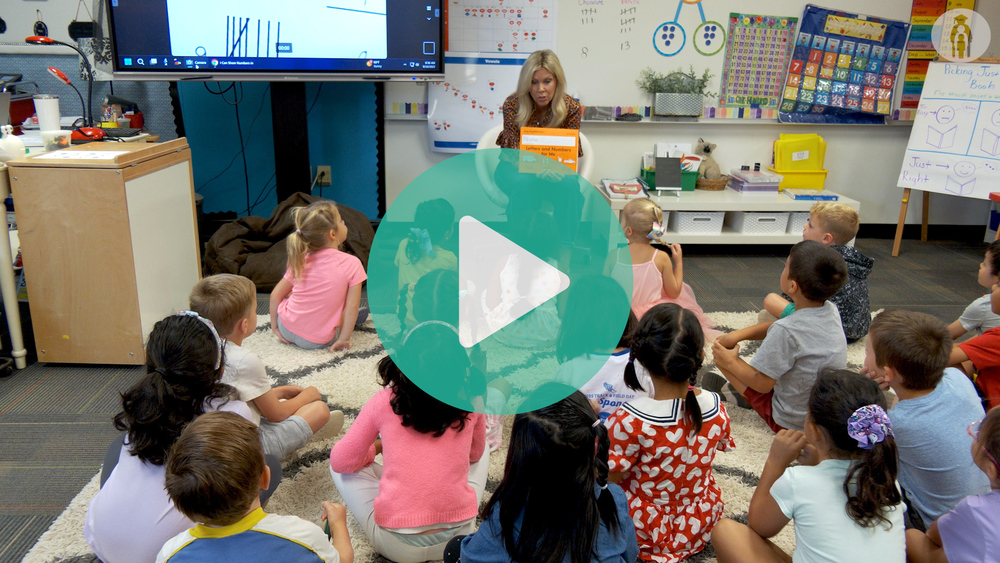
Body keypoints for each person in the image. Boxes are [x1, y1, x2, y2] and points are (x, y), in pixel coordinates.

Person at [84, 313, 268, 563]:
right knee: (268, 469)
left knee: (123, 445)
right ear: (219, 369)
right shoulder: (234, 411)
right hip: (169, 555)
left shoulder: (143, 408)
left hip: (101, 542)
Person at [329, 322, 488, 563]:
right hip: (458, 537)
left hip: (398, 546)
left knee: (338, 464)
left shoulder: (384, 401)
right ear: (459, 368)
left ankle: (405, 486)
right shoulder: (471, 398)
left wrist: (375, 450)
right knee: (481, 450)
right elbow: (474, 455)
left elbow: (341, 461)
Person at [711, 369, 906, 562]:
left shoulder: (799, 480)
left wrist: (775, 462)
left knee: (726, 532)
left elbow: (760, 525)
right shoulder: (887, 480)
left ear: (814, 430)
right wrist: (820, 462)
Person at [444, 387, 639, 563]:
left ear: (521, 453)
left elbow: (472, 557)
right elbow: (630, 554)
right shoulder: (611, 498)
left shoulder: (506, 512)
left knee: (456, 548)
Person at [606, 303, 735, 563]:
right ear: (699, 355)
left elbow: (611, 478)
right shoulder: (716, 407)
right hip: (698, 522)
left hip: (642, 530)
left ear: (640, 355)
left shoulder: (629, 420)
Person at [156, 411, 354, 563]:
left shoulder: (170, 554)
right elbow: (343, 560)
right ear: (265, 478)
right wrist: (338, 524)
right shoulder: (305, 536)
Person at [190, 274, 344, 460]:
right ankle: (298, 438)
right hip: (242, 450)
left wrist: (278, 393)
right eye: (255, 310)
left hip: (204, 438)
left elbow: (233, 396)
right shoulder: (243, 359)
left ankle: (298, 431)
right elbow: (275, 414)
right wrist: (308, 395)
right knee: (320, 409)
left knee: (282, 406)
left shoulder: (191, 349)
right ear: (244, 325)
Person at [862, 310, 989, 530]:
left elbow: (852, 435)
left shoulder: (896, 425)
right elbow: (908, 406)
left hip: (936, 527)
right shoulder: (958, 378)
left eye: (867, 350)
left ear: (888, 372)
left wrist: (865, 393)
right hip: (982, 509)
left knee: (861, 468)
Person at [708, 240, 848, 432]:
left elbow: (762, 383)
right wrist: (737, 335)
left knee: (721, 355)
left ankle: (743, 396)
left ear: (792, 286)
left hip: (790, 422)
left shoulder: (787, 331)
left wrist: (730, 361)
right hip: (823, 413)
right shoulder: (830, 310)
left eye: (785, 266)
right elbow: (778, 326)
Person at [607, 198, 719, 340]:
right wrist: (678, 263)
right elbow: (674, 293)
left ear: (629, 231)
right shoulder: (661, 257)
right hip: (653, 318)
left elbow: (604, 288)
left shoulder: (613, 256)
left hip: (620, 315)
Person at [762, 202, 873, 342]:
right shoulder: (853, 259)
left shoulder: (815, 261)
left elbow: (795, 294)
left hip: (825, 330)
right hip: (856, 330)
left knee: (771, 301)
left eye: (810, 225)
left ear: (826, 238)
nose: (805, 226)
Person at [553, 275, 654, 424]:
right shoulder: (646, 368)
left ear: (575, 320)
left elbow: (558, 421)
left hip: (584, 445)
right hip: (635, 445)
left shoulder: (569, 372)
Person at [905, 407, 1000, 563]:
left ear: (992, 469)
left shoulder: (975, 508)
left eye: (977, 435)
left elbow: (934, 534)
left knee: (912, 536)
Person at [270, 200, 367, 352]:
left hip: (285, 328)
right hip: (316, 341)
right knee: (350, 308)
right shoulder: (352, 263)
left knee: (291, 294)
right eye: (341, 221)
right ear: (333, 234)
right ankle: (353, 320)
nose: (344, 223)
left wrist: (275, 326)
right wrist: (344, 339)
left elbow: (275, 295)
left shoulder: (300, 259)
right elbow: (352, 307)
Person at [496, 49, 581, 154]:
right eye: (534, 82)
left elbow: (570, 154)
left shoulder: (572, 107)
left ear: (557, 81)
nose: (541, 89)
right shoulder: (512, 104)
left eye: (547, 81)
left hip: (555, 168)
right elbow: (510, 155)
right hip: (515, 167)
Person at [395, 199, 457, 329]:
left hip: (405, 316)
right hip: (432, 320)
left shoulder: (404, 244)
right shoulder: (449, 259)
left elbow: (398, 265)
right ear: (447, 233)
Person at [949, 281, 1000, 409]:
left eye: (998, 284)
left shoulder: (996, 337)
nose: (993, 286)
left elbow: (938, 356)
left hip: (992, 413)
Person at [947, 240, 1000, 340]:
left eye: (984, 264)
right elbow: (984, 337)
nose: (980, 265)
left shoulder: (983, 306)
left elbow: (944, 337)